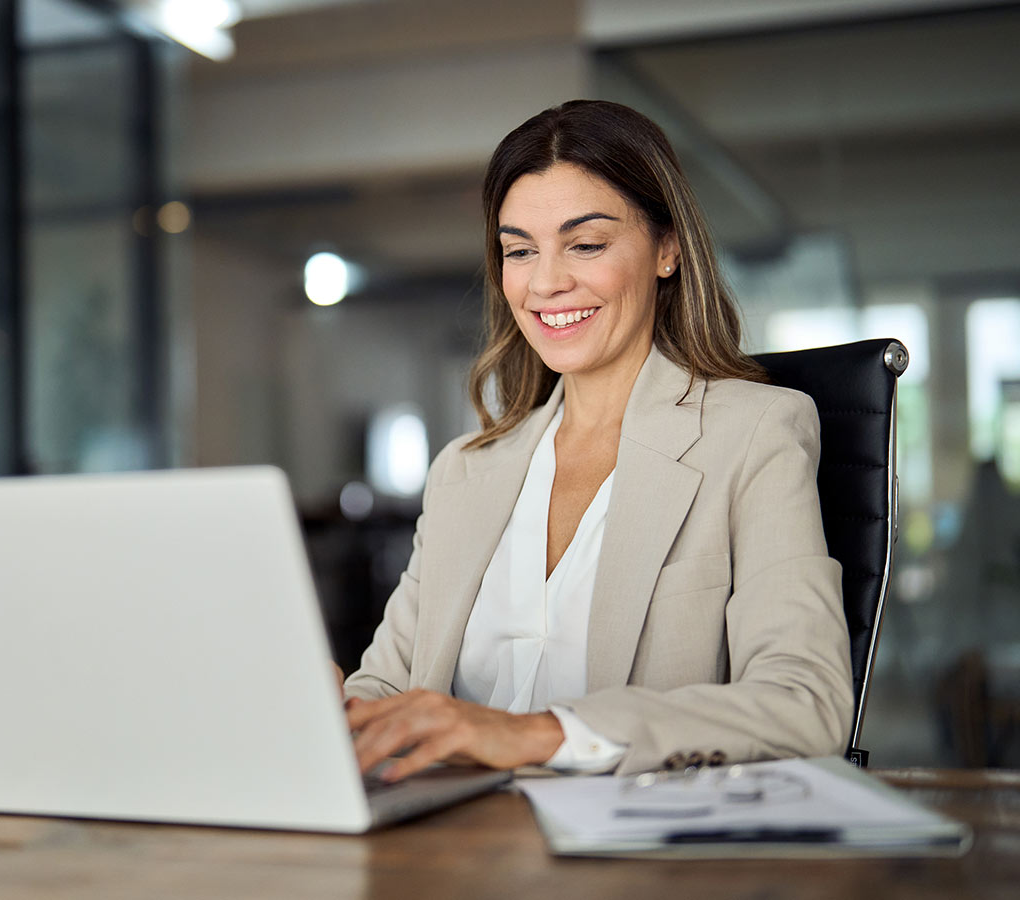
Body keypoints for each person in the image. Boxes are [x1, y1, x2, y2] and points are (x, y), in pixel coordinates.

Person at [342, 100, 853, 780]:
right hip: (454, 850)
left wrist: (538, 735)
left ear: (667, 249)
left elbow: (805, 704)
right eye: (520, 250)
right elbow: (386, 693)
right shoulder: (465, 471)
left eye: (585, 244)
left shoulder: (754, 434)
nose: (547, 282)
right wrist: (330, 711)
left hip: (632, 862)